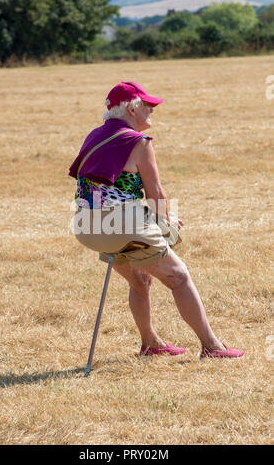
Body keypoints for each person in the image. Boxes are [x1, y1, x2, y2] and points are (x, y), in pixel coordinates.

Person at [69, 81, 244, 359]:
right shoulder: (138, 142)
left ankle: (150, 344)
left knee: (140, 280)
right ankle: (212, 347)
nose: (152, 109)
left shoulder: (95, 135)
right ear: (131, 108)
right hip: (120, 224)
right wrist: (169, 219)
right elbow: (156, 194)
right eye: (147, 105)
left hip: (85, 225)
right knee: (179, 277)